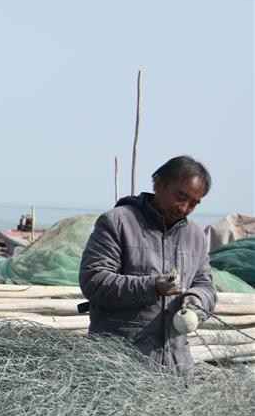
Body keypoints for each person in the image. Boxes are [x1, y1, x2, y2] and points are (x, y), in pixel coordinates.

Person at [79, 155, 216, 377]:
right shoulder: (117, 222)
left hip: (175, 370)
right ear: (158, 184)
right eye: (180, 197)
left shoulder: (195, 236)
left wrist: (196, 301)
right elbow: (94, 281)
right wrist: (152, 286)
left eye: (193, 203)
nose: (184, 208)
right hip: (118, 368)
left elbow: (206, 286)